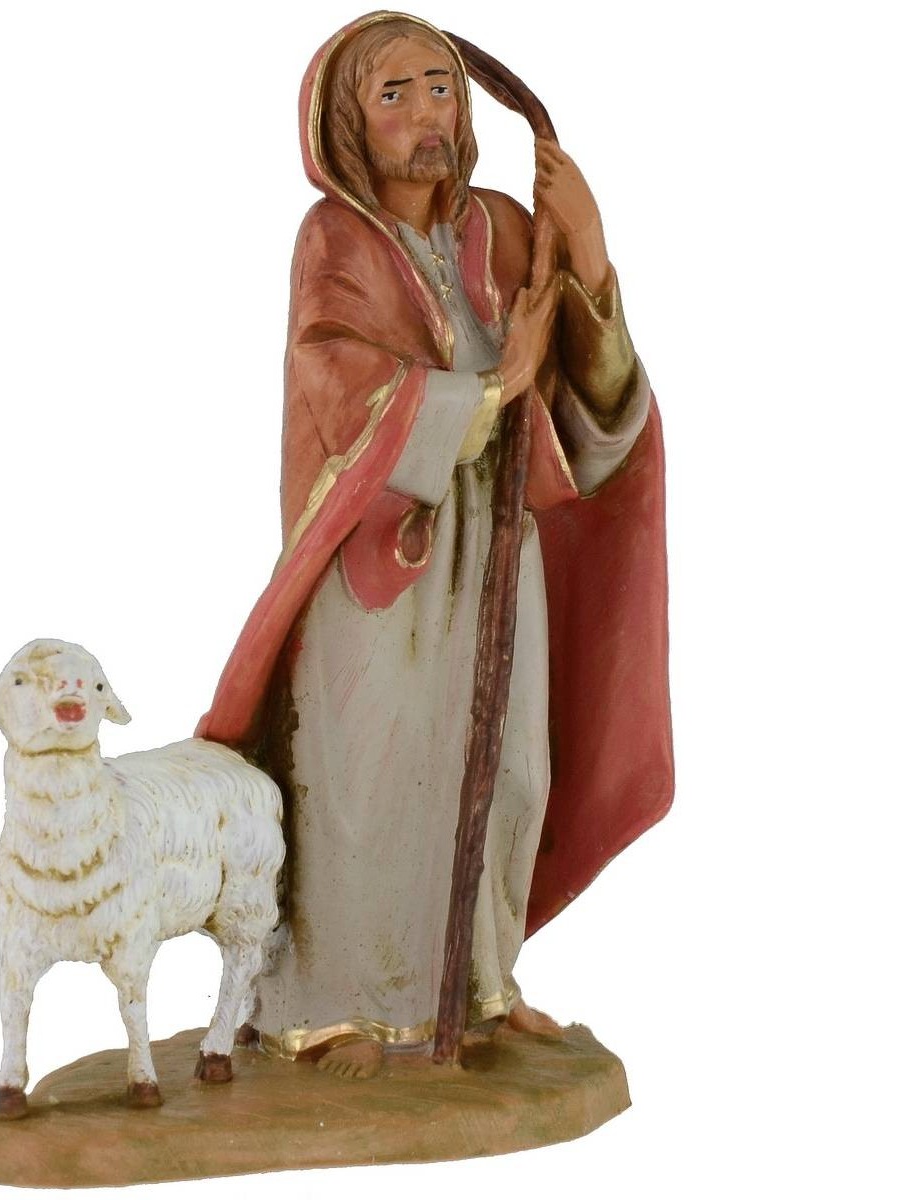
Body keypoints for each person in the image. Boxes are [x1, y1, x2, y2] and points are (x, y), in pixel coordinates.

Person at [197, 11, 673, 1079]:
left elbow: (597, 405)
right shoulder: (335, 242)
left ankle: (481, 985)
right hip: (384, 565)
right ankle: (344, 1008)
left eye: (442, 88)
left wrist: (589, 250)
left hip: (499, 545)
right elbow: (338, 382)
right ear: (346, 126)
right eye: (394, 94)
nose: (427, 114)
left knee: (507, 761)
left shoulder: (501, 231)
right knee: (370, 778)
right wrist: (495, 387)